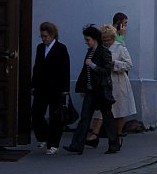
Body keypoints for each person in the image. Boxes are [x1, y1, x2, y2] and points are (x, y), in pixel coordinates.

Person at [65, 25, 121, 155]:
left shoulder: (104, 52)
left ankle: (114, 144)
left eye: (88, 39)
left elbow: (106, 71)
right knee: (85, 117)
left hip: (101, 90)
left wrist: (93, 65)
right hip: (91, 90)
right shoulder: (89, 52)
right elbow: (86, 72)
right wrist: (83, 87)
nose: (86, 42)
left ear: (95, 39)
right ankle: (77, 145)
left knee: (107, 118)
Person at [86, 24, 135, 144]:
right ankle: (94, 134)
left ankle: (118, 135)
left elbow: (129, 64)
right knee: (100, 110)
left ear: (113, 38)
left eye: (109, 40)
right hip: (103, 82)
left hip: (118, 82)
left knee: (119, 110)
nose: (107, 42)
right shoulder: (100, 48)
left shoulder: (120, 47)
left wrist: (114, 63)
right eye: (104, 40)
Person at [30, 21, 71, 155]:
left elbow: (66, 69)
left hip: (56, 87)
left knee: (55, 116)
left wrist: (65, 88)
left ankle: (53, 144)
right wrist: (33, 85)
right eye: (42, 36)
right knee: (36, 113)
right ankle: (44, 136)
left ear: (53, 35)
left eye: (45, 36)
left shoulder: (61, 48)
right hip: (41, 87)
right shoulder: (40, 48)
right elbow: (36, 67)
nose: (43, 39)